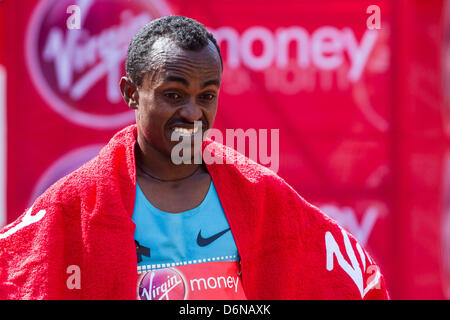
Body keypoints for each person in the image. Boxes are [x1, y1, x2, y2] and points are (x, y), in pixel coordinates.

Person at [0, 15, 389, 300]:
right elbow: (19, 277)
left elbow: (348, 282)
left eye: (206, 96)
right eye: (173, 94)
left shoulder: (261, 195)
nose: (192, 112)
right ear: (131, 93)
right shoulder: (77, 204)